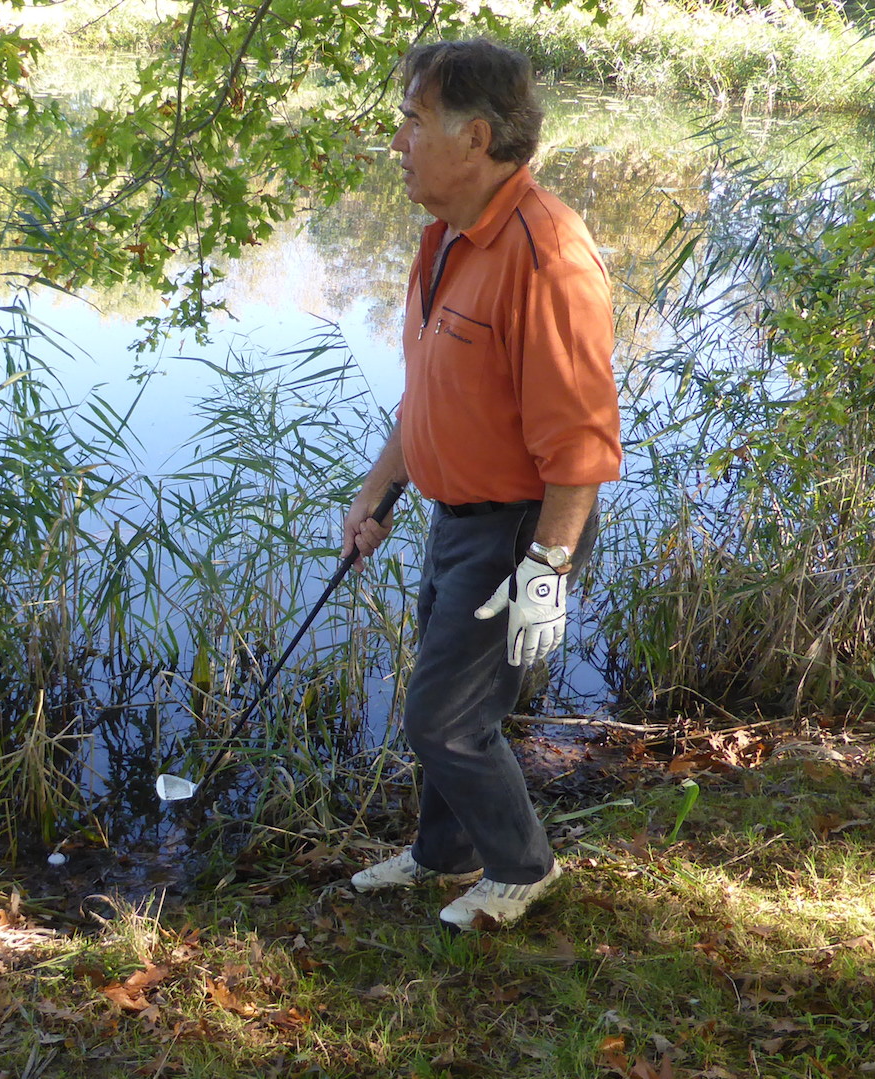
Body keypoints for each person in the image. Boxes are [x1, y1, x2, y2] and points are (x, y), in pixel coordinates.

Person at [342, 40, 621, 930]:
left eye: (412, 120)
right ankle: (444, 853)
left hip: (515, 529)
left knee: (445, 720)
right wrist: (378, 489)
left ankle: (522, 866)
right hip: (451, 518)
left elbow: (579, 446)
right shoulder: (448, 239)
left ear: (474, 136)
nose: (398, 141)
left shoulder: (546, 257)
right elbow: (429, 393)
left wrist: (547, 572)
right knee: (438, 696)